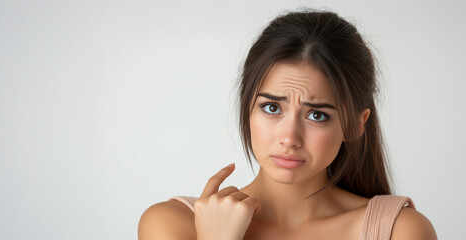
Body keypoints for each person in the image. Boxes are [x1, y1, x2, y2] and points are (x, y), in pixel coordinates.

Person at [138, 9, 437, 240]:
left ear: (356, 125)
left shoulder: (399, 231)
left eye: (317, 115)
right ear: (247, 110)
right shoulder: (172, 225)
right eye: (271, 107)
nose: (289, 137)